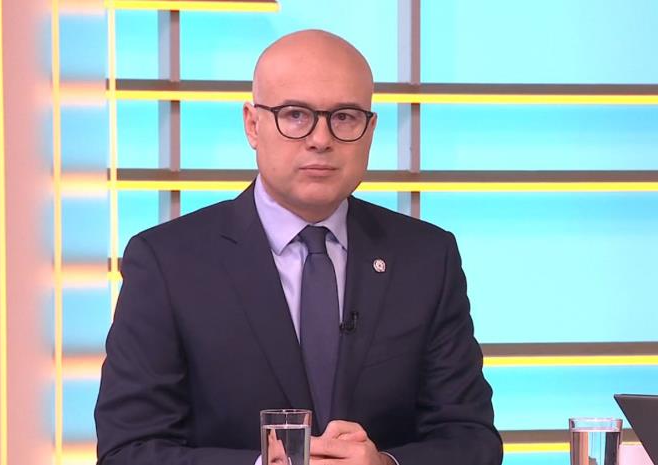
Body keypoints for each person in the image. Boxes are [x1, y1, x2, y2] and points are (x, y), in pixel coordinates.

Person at [95, 29, 503, 465]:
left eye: (344, 117)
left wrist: (386, 464)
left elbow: (472, 441)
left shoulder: (427, 258)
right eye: (295, 115)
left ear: (370, 130)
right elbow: (128, 452)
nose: (321, 139)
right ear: (252, 124)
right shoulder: (167, 263)